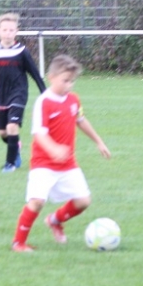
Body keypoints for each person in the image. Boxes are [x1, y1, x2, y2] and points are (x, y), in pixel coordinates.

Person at [10, 54, 110, 252]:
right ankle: (18, 243)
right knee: (37, 202)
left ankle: (55, 221)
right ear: (51, 77)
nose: (69, 85)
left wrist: (99, 141)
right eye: (65, 80)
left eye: (72, 81)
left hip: (67, 164)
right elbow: (39, 133)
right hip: (43, 164)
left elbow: (81, 120)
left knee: (83, 201)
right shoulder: (44, 102)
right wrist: (54, 149)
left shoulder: (73, 100)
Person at [0, 13, 46, 172]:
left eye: (11, 30)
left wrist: (44, 92)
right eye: (5, 30)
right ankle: (15, 146)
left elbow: (34, 73)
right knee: (3, 132)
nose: (8, 33)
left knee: (12, 126)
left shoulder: (22, 51)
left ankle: (10, 164)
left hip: (18, 93)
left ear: (16, 31)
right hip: (0, 95)